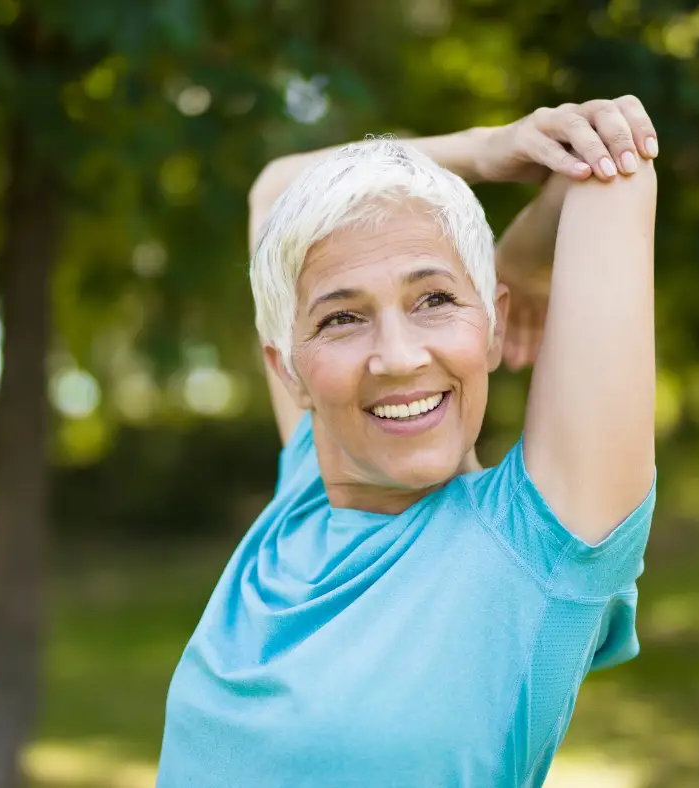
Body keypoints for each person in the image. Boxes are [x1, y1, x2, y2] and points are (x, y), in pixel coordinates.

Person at [156, 97, 659, 788]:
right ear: (289, 371)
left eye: (434, 301)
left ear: (490, 326)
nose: (396, 357)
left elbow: (613, 166)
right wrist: (487, 148)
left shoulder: (541, 544)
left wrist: (523, 255)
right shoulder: (308, 487)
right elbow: (275, 189)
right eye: (342, 318)